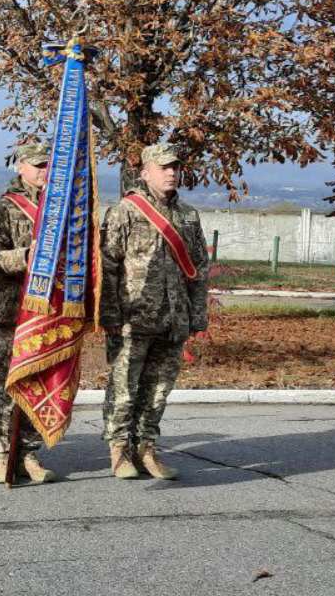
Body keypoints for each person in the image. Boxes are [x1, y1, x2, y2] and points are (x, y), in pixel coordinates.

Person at [99, 143, 209, 480]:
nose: (172, 172)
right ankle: (119, 451)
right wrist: (111, 316)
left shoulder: (188, 216)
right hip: (133, 319)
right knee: (125, 389)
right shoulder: (125, 212)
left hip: (173, 318)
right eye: (164, 167)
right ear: (145, 172)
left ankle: (146, 447)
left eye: (175, 166)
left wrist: (196, 315)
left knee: (159, 390)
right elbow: (108, 267)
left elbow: (199, 269)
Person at [0, 142, 57, 484]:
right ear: (20, 167)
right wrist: (25, 256)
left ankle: (29, 453)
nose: (44, 171)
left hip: (49, 313)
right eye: (37, 165)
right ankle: (1, 452)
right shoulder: (4, 210)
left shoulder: (60, 210)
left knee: (38, 385)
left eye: (47, 165)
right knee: (8, 386)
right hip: (14, 313)